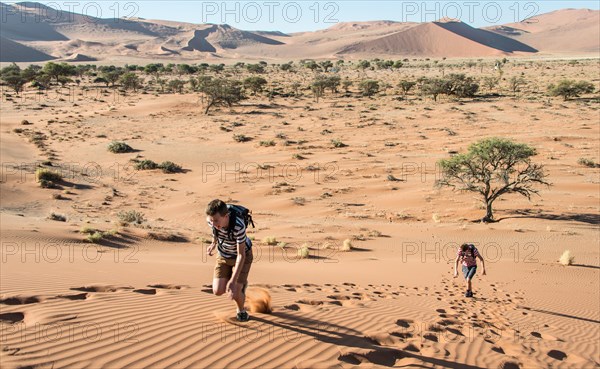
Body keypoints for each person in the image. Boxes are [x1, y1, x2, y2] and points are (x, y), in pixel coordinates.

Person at [205, 199, 254, 322]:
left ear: (226, 216)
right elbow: (215, 231)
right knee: (217, 290)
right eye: (211, 220)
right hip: (223, 255)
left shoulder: (238, 226)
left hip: (242, 256)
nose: (213, 223)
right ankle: (239, 285)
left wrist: (233, 281)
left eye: (216, 220)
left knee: (236, 289)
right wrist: (213, 244)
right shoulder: (211, 221)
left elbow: (241, 255)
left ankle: (241, 311)